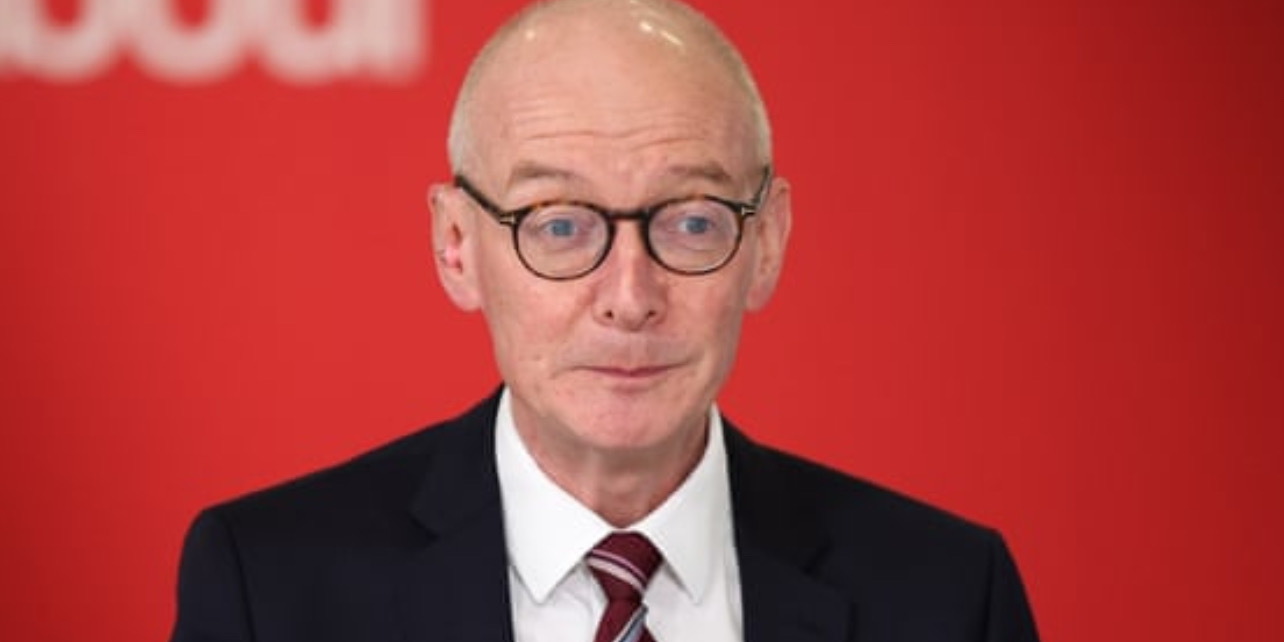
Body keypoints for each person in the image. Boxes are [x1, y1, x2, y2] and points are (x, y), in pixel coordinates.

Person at [170, 0, 1040, 640]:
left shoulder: (949, 598)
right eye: (559, 226)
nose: (630, 295)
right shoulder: (272, 590)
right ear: (456, 246)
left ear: (767, 243)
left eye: (691, 222)